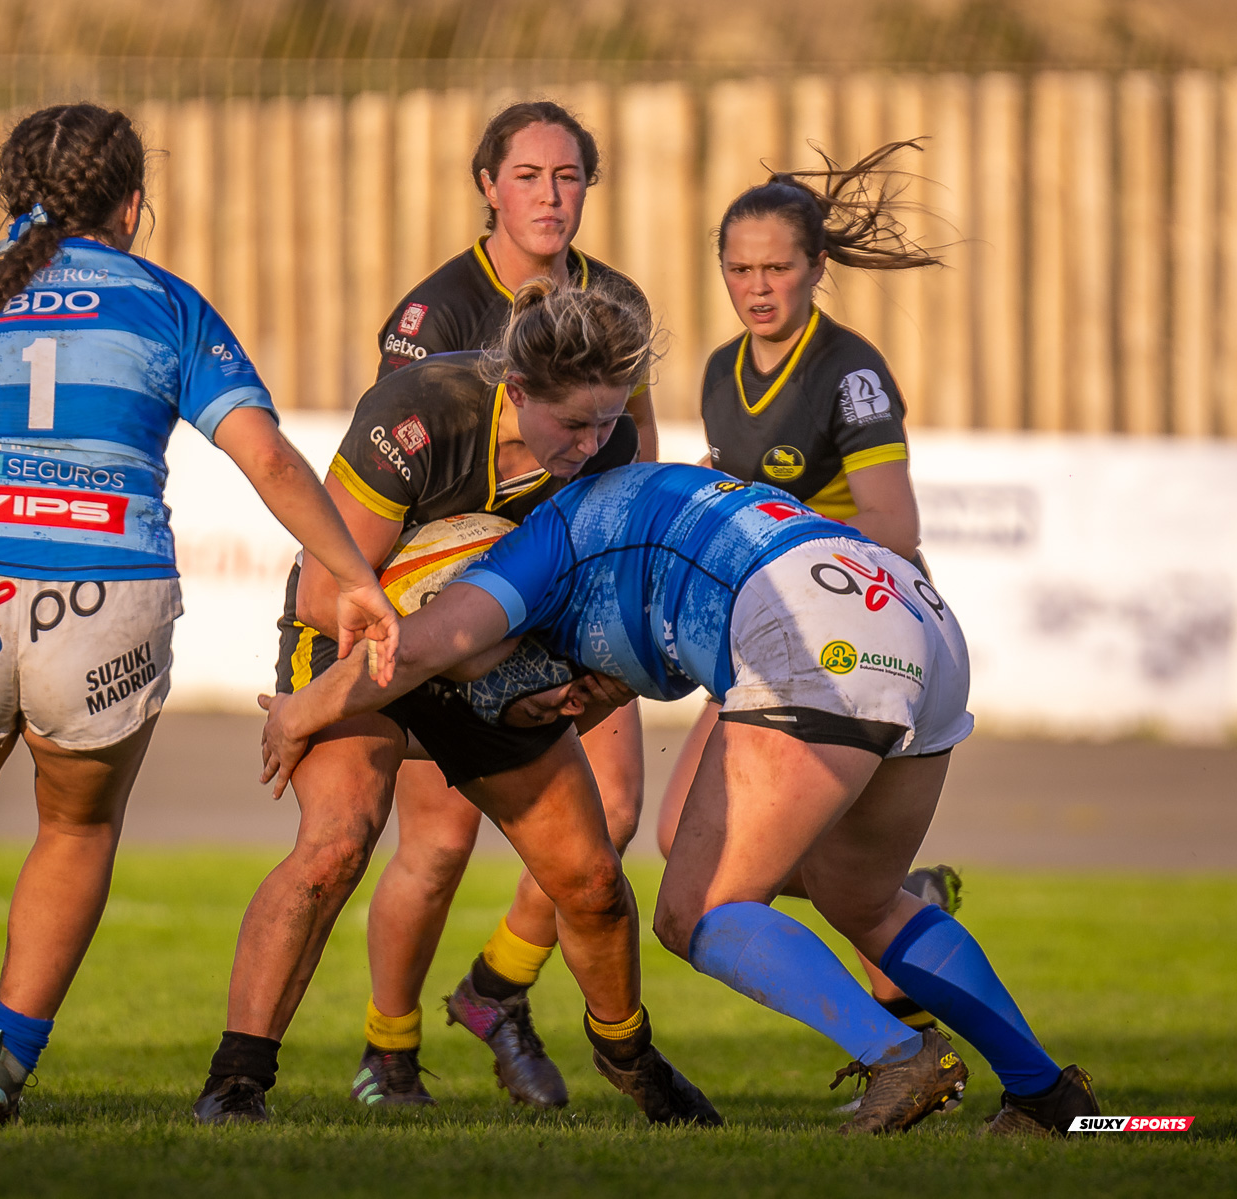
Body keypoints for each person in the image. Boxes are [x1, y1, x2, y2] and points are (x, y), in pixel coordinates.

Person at [0, 102, 398, 1128]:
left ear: (12, 197)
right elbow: (268, 457)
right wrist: (354, 574)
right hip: (107, 597)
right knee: (76, 825)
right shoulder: (166, 304)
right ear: (132, 205)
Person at [260, 461, 1102, 1137]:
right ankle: (1046, 1094)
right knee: (865, 899)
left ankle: (900, 1056)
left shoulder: (525, 558)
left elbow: (418, 648)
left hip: (819, 633)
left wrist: (300, 710)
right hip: (911, 607)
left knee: (699, 911)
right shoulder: (606, 546)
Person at [193, 280, 719, 1130]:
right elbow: (327, 594)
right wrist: (429, 642)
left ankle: (632, 1059)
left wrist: (573, 688)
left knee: (590, 879)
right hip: (354, 640)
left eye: (606, 421)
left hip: (487, 658)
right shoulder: (422, 410)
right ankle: (235, 1080)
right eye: (574, 424)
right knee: (337, 841)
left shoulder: (609, 445)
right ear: (519, 388)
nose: (592, 444)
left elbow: (597, 604)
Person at [356, 100, 658, 1110]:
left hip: (567, 603)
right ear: (488, 185)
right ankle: (388, 1049)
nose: (550, 195)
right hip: (461, 612)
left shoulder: (614, 300)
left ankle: (495, 990)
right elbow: (403, 479)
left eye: (568, 176)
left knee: (613, 815)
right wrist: (449, 628)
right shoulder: (435, 314)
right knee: (439, 843)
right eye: (528, 175)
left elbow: (634, 452)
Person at [651, 141, 964, 1066]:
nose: (758, 288)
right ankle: (904, 939)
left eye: (777, 268)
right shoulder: (720, 370)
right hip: (770, 633)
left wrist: (768, 527)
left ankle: (899, 1039)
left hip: (850, 637)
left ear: (816, 267)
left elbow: (894, 526)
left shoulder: (849, 372)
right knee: (683, 839)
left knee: (755, 875)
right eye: (739, 269)